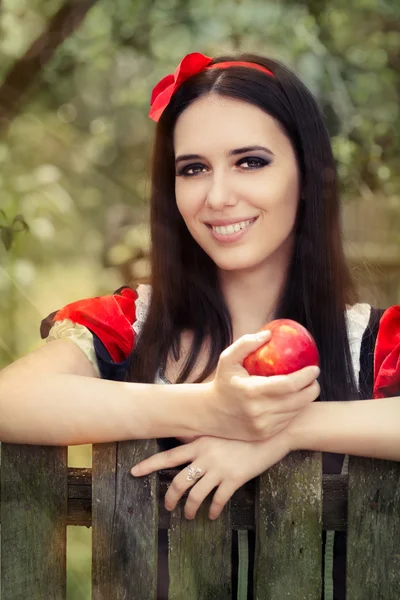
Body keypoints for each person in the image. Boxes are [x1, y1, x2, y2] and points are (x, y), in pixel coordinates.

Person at [1, 51, 399, 599]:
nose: (217, 196)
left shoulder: (372, 345)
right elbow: (10, 398)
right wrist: (208, 407)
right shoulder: (129, 325)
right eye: (193, 169)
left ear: (308, 176)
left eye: (250, 162)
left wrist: (285, 429)